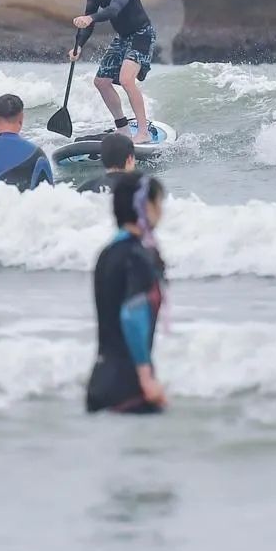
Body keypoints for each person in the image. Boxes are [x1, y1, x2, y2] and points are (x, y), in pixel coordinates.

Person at [86, 172, 168, 414]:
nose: (161, 211)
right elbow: (132, 315)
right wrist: (146, 377)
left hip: (99, 385)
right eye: (158, 203)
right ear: (145, 207)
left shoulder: (107, 254)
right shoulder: (137, 256)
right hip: (129, 390)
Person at [71, 0, 156, 143]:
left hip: (142, 34)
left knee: (126, 79)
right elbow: (88, 21)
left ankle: (143, 132)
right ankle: (123, 129)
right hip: (123, 38)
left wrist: (90, 18)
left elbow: (114, 10)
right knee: (101, 82)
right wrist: (79, 45)